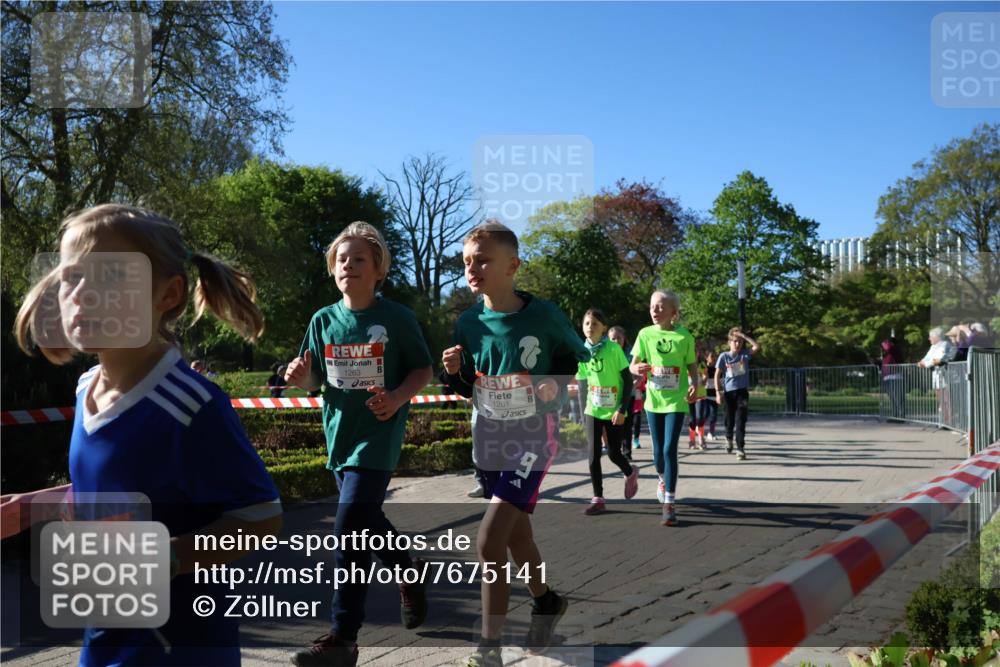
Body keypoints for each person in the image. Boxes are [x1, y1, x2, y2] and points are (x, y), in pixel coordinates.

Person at [13, 204, 282, 666]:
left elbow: (261, 518)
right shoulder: (85, 389)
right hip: (105, 640)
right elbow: (119, 488)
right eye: (72, 278)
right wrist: (33, 505)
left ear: (168, 295)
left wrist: (165, 558)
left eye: (111, 277)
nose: (83, 294)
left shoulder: (191, 405)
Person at [440, 220, 589, 667]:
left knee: (489, 542)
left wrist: (552, 387)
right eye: (467, 261)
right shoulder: (468, 322)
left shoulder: (542, 315)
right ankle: (545, 600)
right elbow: (471, 388)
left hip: (531, 439)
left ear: (513, 265)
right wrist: (454, 374)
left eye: (483, 260)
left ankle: (489, 650)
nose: (473, 269)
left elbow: (571, 362)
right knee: (518, 538)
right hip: (488, 440)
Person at [285, 221, 434, 667]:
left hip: (377, 436)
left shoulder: (396, 318)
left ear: (378, 270)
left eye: (359, 259)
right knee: (365, 521)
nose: (349, 264)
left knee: (349, 527)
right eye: (342, 259)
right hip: (339, 437)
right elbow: (314, 379)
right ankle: (409, 569)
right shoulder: (322, 320)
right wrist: (300, 378)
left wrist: (397, 397)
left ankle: (343, 638)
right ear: (333, 269)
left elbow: (422, 369)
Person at [629, 291, 699, 527]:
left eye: (660, 307)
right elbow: (633, 364)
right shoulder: (645, 334)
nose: (655, 311)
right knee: (658, 455)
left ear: (673, 312)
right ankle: (661, 479)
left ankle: (669, 503)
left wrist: (694, 384)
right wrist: (637, 368)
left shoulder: (684, 336)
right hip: (653, 401)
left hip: (676, 401)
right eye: (652, 306)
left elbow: (692, 366)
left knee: (670, 450)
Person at [575, 309, 639, 515]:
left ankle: (630, 472)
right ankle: (598, 498)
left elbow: (628, 381)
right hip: (592, 409)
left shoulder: (613, 349)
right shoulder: (582, 352)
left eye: (595, 324)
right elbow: (583, 384)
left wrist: (622, 409)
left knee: (613, 453)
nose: (590, 327)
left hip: (614, 410)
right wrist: (582, 412)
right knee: (593, 454)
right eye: (586, 324)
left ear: (603, 327)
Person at [714, 328, 761, 461]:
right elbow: (717, 375)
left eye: (740, 341)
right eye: (735, 341)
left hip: (742, 393)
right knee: (729, 420)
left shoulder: (744, 355)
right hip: (729, 393)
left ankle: (740, 448)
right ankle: (729, 438)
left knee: (741, 420)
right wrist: (718, 393)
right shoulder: (724, 356)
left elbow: (756, 346)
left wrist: (744, 336)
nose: (738, 344)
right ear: (729, 342)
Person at [608, 325, 639, 458]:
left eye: (618, 338)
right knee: (613, 423)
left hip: (628, 395)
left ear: (624, 338)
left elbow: (639, 374)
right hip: (611, 394)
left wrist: (633, 386)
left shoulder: (631, 353)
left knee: (627, 423)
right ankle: (615, 450)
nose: (616, 341)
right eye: (613, 339)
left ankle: (627, 452)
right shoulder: (606, 353)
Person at [917, 327, 956, 426]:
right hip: (937, 376)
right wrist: (923, 362)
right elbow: (927, 358)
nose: (929, 339)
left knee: (947, 400)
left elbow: (937, 360)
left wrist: (925, 364)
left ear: (937, 337)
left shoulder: (944, 345)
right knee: (941, 400)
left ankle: (949, 421)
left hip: (945, 376)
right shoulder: (933, 346)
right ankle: (943, 421)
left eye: (931, 337)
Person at [686, 352, 709, 450]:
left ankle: (701, 438)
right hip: (689, 395)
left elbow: (705, 379)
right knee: (692, 419)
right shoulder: (685, 365)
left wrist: (704, 378)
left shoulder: (702, 365)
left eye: (695, 353)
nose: (694, 355)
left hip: (700, 394)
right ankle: (692, 440)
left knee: (700, 417)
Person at [880, 337, 905, 420]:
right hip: (887, 377)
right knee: (892, 398)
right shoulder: (889, 354)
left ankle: (901, 417)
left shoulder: (895, 349)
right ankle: (895, 415)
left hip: (895, 377)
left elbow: (887, 347)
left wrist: (885, 342)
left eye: (889, 342)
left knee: (898, 397)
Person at [701, 349, 720, 439]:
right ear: (706, 358)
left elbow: (720, 381)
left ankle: (711, 433)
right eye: (711, 356)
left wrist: (720, 392)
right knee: (706, 414)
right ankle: (699, 429)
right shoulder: (703, 368)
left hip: (714, 394)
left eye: (715, 356)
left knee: (714, 414)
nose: (714, 358)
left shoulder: (717, 368)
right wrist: (705, 377)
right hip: (705, 394)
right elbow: (701, 382)